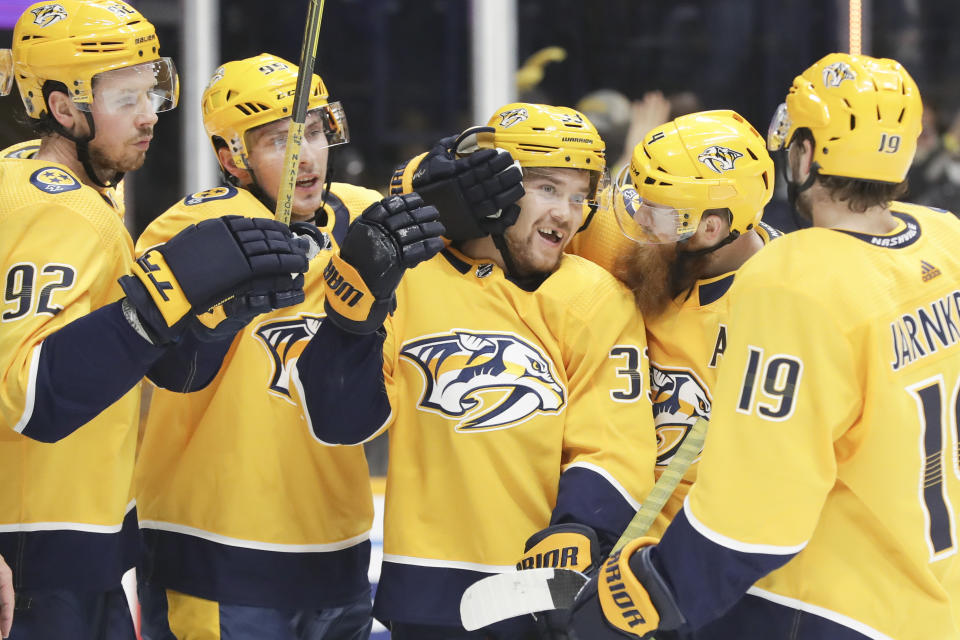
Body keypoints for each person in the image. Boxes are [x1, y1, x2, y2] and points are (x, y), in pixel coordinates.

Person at [568, 53, 960, 640]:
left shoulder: (791, 280)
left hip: (842, 608)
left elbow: (758, 514)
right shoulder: (943, 235)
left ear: (802, 153)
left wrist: (656, 595)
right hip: (935, 591)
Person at [0, 3, 308, 638]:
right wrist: (166, 290)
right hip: (35, 562)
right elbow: (27, 394)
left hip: (76, 550)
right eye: (124, 97)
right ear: (63, 109)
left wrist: (207, 321)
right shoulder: (51, 211)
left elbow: (136, 362)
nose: (149, 115)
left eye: (154, 89)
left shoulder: (71, 189)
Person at [294, 102, 659, 638]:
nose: (567, 211)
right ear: (494, 185)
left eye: (580, 195)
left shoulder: (594, 297)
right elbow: (337, 421)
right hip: (427, 590)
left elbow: (614, 440)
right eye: (548, 188)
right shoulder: (410, 275)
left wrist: (584, 525)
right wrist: (352, 321)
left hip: (548, 592)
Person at [134, 53, 398, 640]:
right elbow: (167, 363)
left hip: (339, 547)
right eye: (280, 141)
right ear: (231, 158)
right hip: (214, 549)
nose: (306, 154)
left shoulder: (355, 213)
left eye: (311, 132)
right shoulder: (188, 231)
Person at [570, 109, 777, 534]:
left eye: (657, 210)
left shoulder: (786, 311)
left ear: (710, 228)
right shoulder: (633, 237)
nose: (638, 218)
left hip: (693, 552)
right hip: (594, 510)